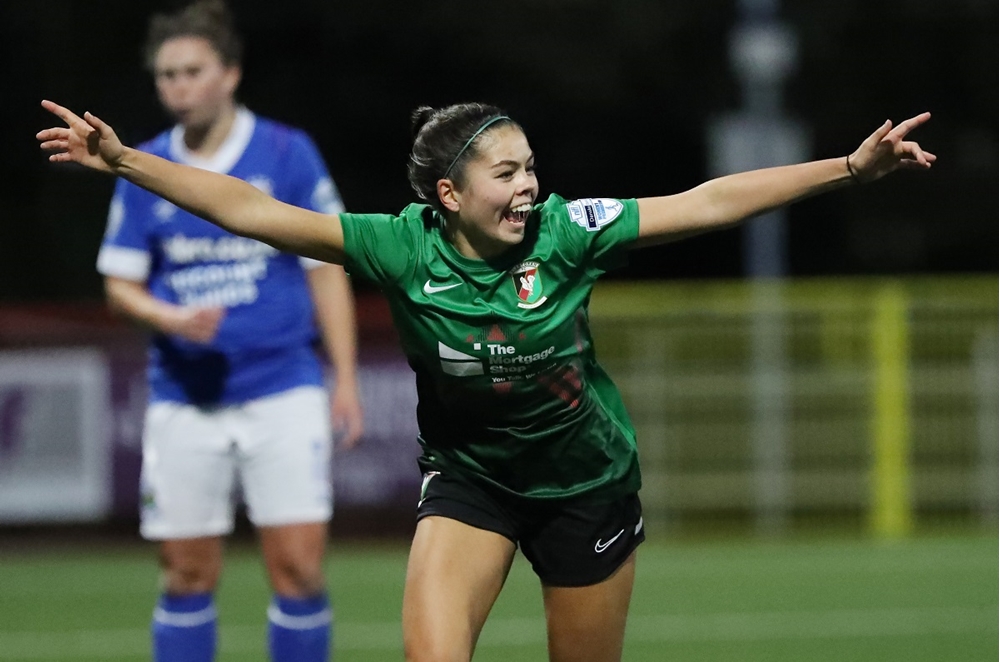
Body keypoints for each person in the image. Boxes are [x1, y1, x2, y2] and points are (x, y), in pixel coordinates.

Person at [38, 96, 933, 661]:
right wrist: (125, 161)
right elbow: (254, 210)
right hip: (473, 486)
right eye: (507, 173)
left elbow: (706, 201)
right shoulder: (399, 246)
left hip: (587, 488)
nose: (530, 188)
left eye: (532, 168)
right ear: (447, 197)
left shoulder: (569, 233)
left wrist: (850, 168)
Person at [85, 2, 363, 661]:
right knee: (186, 573)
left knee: (298, 568)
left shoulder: (287, 153)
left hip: (281, 388)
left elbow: (326, 266)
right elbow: (119, 284)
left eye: (192, 70)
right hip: (184, 398)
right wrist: (169, 317)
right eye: (166, 75)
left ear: (230, 74)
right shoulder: (141, 166)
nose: (178, 86)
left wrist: (346, 377)